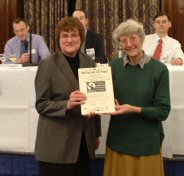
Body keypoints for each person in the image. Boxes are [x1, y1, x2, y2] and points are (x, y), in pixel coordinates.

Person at [34, 16, 101, 176]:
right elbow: (41, 104)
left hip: (84, 143)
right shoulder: (48, 64)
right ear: (58, 39)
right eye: (65, 35)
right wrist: (67, 104)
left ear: (81, 38)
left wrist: (96, 133)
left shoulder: (89, 62)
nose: (69, 40)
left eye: (74, 35)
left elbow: (95, 98)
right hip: (56, 146)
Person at [103, 19, 171, 176]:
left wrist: (134, 109)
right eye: (123, 40)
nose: (128, 44)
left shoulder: (159, 70)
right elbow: (105, 99)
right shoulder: (113, 67)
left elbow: (163, 111)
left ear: (141, 38)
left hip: (147, 144)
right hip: (118, 142)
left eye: (132, 38)